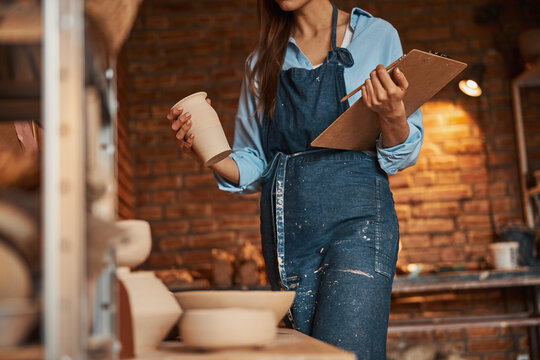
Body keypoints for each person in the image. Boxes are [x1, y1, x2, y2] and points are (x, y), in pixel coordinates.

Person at [166, 0, 423, 358]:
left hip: (358, 228)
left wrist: (393, 114)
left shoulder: (376, 36)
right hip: (288, 236)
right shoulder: (261, 62)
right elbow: (255, 161)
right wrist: (208, 153)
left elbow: (403, 154)